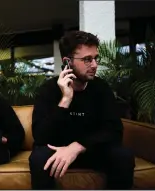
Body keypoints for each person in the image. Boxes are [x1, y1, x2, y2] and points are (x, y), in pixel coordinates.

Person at [29, 30, 135, 189]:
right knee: (38, 158)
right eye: (87, 59)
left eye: (95, 58)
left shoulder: (101, 88)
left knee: (123, 156)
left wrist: (77, 147)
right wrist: (65, 100)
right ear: (67, 62)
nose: (94, 65)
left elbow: (114, 130)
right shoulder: (48, 90)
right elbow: (41, 137)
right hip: (58, 152)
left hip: (91, 150)